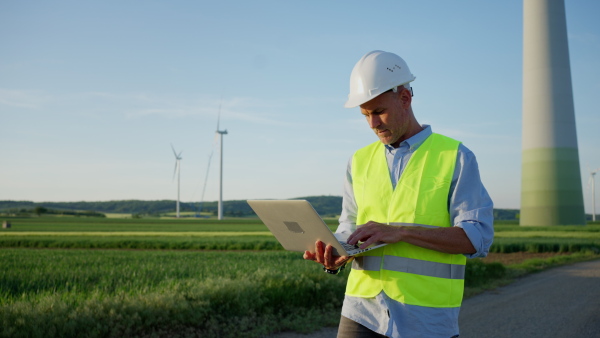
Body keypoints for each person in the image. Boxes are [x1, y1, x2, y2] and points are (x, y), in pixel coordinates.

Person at [303, 50, 494, 338]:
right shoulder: (358, 161)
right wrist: (339, 251)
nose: (372, 124)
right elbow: (348, 225)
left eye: (378, 111)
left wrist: (400, 232)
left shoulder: (455, 156)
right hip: (362, 311)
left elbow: (477, 239)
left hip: (427, 318)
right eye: (365, 114)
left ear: (404, 98)